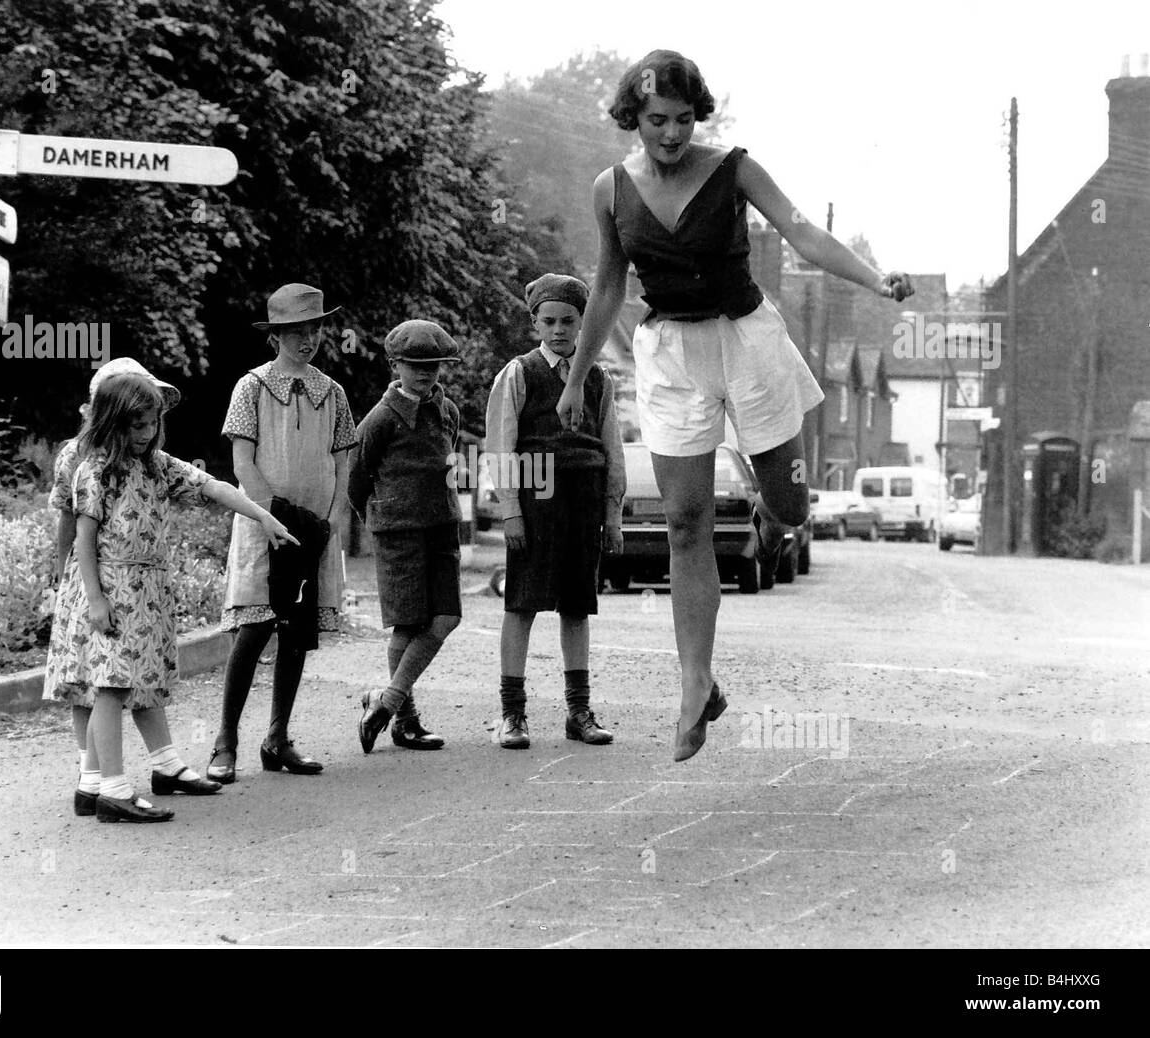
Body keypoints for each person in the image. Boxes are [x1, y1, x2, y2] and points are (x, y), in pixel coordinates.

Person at [554, 50, 914, 762]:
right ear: (633, 116)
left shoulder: (735, 169)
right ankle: (696, 683)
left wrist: (876, 282)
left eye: (685, 119)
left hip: (747, 342)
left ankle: (781, 491)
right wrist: (575, 378)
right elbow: (605, 288)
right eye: (658, 120)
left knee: (790, 508)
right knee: (687, 522)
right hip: (670, 355)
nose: (672, 134)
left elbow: (802, 231)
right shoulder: (609, 191)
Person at [44, 373, 296, 822]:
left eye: (151, 425)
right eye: (135, 426)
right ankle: (112, 791)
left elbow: (211, 486)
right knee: (111, 685)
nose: (144, 435)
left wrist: (262, 516)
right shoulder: (95, 470)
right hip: (112, 587)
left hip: (147, 590)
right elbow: (84, 539)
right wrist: (96, 598)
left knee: (132, 683)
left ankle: (101, 786)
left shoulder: (157, 465)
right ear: (110, 422)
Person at [45, 357, 222, 814]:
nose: (144, 427)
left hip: (129, 578)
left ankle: (158, 765)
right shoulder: (80, 456)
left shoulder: (146, 459)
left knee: (127, 673)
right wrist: (67, 580)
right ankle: (95, 781)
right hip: (92, 576)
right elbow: (71, 518)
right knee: (93, 679)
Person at [208, 284, 357, 784]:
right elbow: (242, 462)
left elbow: (343, 464)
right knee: (253, 628)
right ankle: (225, 740)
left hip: (314, 527)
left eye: (314, 328)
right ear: (276, 336)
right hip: (262, 523)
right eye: (296, 330)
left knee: (296, 631)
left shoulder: (332, 392)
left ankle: (277, 736)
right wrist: (269, 515)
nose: (307, 339)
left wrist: (332, 522)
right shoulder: (251, 387)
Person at [485, 273, 625, 749]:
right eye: (550, 321)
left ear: (584, 324)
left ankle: (578, 711)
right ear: (535, 323)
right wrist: (510, 512)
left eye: (569, 321)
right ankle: (512, 714)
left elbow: (612, 446)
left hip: (584, 500)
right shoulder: (519, 373)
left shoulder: (598, 379)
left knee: (577, 606)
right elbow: (500, 447)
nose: (560, 330)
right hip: (535, 501)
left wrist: (613, 512)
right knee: (522, 603)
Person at [347, 320, 463, 753]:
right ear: (395, 364)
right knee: (408, 623)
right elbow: (357, 479)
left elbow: (445, 457)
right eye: (415, 365)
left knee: (446, 618)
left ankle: (385, 701)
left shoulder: (447, 411)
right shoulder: (380, 419)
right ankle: (406, 721)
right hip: (398, 534)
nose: (425, 373)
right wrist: (381, 519)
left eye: (433, 365)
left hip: (441, 526)